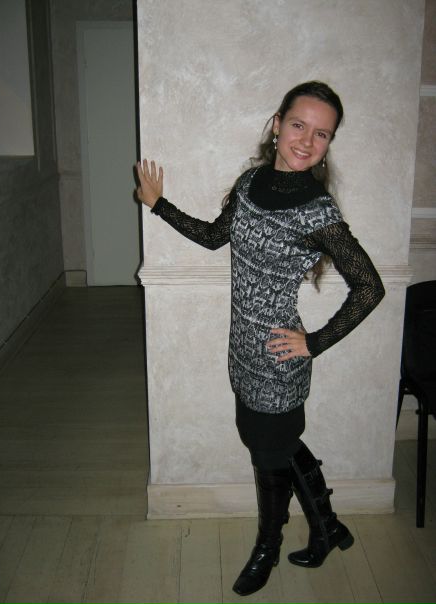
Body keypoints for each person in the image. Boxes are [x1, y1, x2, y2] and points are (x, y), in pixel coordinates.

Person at [136, 81, 385, 596]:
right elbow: (214, 236)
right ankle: (327, 528)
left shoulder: (318, 211)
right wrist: (159, 204)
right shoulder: (250, 183)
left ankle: (267, 548)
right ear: (277, 125)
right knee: (276, 444)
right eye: (299, 125)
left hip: (278, 359)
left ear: (329, 143)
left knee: (268, 455)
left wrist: (313, 342)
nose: (307, 141)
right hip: (241, 350)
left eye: (322, 134)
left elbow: (370, 287)